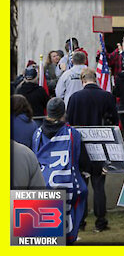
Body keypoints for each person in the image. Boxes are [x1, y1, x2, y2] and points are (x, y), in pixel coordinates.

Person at [66, 68, 119, 232]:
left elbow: (69, 123)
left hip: (80, 147)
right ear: (95, 78)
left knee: (81, 185)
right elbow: (114, 121)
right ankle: (100, 222)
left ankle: (80, 222)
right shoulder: (107, 96)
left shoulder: (74, 98)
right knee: (99, 184)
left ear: (82, 80)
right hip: (101, 147)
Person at [31, 97, 89, 244]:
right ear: (63, 113)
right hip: (66, 184)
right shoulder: (72, 133)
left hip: (43, 183)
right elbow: (81, 159)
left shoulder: (37, 133)